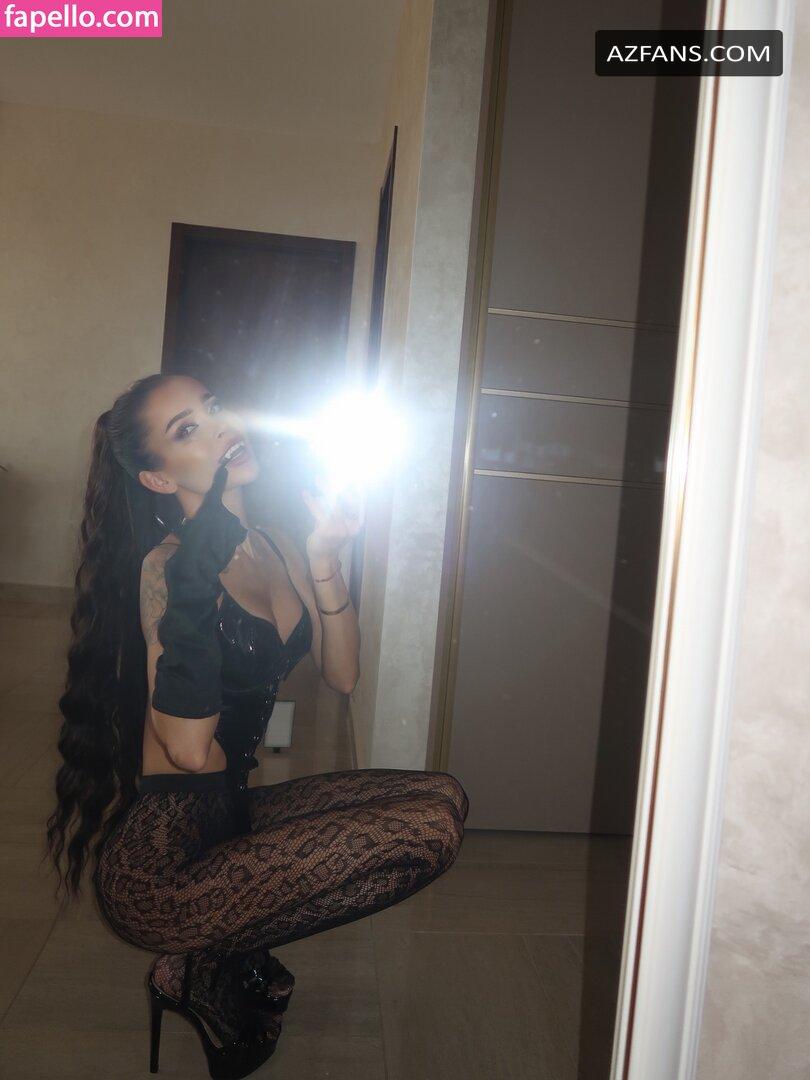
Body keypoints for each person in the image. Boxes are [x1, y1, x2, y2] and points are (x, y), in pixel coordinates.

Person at [45, 372, 469, 1079]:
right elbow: (187, 750)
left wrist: (325, 558)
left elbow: (342, 676)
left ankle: (215, 953)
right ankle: (199, 960)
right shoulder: (168, 569)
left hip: (231, 815)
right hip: (165, 868)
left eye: (212, 407)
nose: (220, 427)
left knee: (445, 796)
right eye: (187, 430)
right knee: (427, 831)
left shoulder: (273, 542)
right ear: (157, 479)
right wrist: (200, 560)